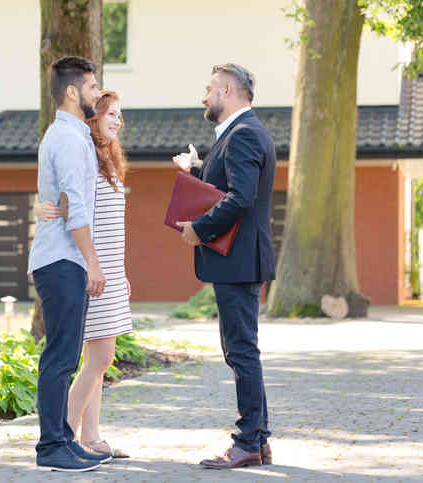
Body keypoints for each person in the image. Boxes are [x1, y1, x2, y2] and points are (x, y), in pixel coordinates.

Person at [173, 63, 276, 469]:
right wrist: (198, 170)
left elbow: (241, 198)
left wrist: (198, 229)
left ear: (228, 90)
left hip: (238, 261)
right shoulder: (238, 134)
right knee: (242, 350)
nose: (204, 96)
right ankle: (259, 440)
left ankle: (249, 441)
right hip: (239, 261)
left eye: (210, 88)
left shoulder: (245, 133)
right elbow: (231, 187)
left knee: (241, 351)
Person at [35, 90, 132, 459]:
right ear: (92, 117)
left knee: (100, 358)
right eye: (111, 113)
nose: (118, 120)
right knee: (98, 358)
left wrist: (119, 271)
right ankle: (68, 437)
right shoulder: (82, 152)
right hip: (90, 269)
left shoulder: (106, 159)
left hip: (107, 269)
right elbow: (68, 203)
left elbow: (109, 223)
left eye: (121, 115)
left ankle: (90, 437)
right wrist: (42, 208)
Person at [28, 55, 111, 473]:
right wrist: (93, 263)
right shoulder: (68, 139)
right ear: (73, 92)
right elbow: (75, 208)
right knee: (60, 356)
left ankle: (62, 438)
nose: (98, 93)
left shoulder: (72, 136)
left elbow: (63, 203)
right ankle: (51, 447)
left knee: (66, 354)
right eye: (93, 86)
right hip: (63, 259)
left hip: (64, 258)